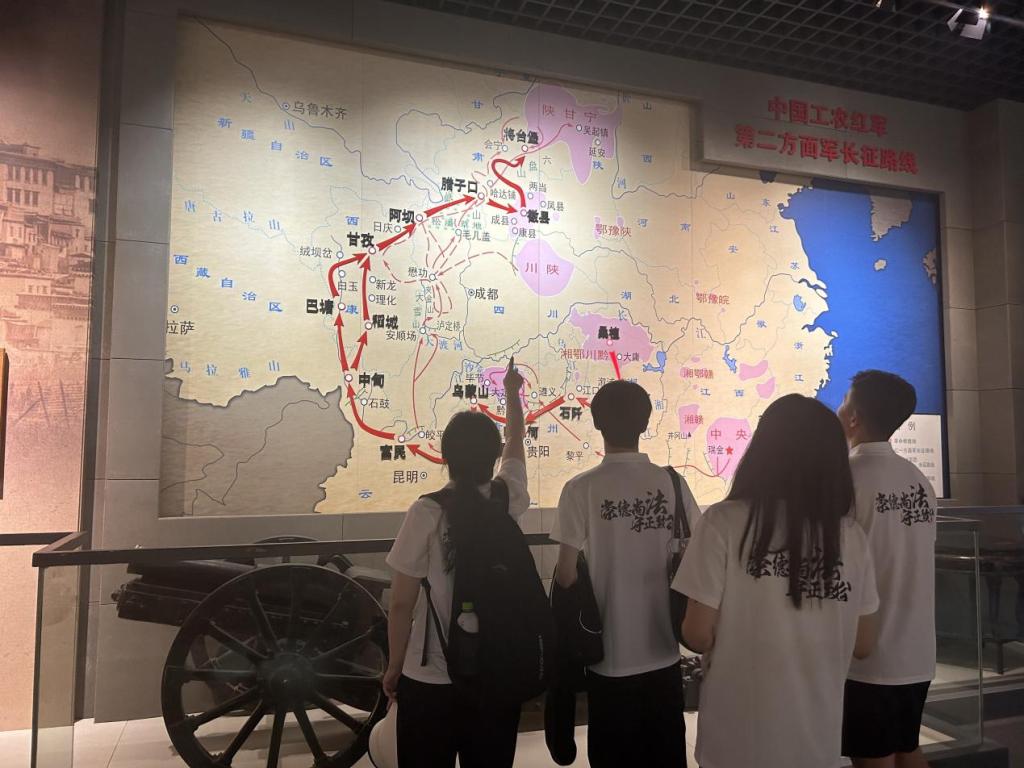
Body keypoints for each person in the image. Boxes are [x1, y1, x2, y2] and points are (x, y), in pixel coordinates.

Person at [672, 394, 879, 768]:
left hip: (736, 740)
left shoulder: (722, 522)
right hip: (817, 741)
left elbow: (697, 634)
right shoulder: (851, 537)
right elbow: (864, 644)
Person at [383, 358, 528, 768]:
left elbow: (401, 604)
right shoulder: (508, 498)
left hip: (430, 677)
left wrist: (395, 666)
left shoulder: (427, 511)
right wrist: (512, 393)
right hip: (495, 675)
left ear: (444, 456)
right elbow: (516, 441)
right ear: (493, 456)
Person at [551, 379, 700, 768]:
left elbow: (566, 575)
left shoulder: (580, 488)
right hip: (665, 651)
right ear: (646, 423)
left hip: (608, 657)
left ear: (597, 423)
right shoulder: (672, 483)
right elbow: (696, 556)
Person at [837, 371, 938, 768]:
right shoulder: (918, 481)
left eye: (844, 402)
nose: (839, 409)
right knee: (907, 747)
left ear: (854, 417)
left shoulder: (847, 478)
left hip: (869, 655)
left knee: (872, 757)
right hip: (917, 651)